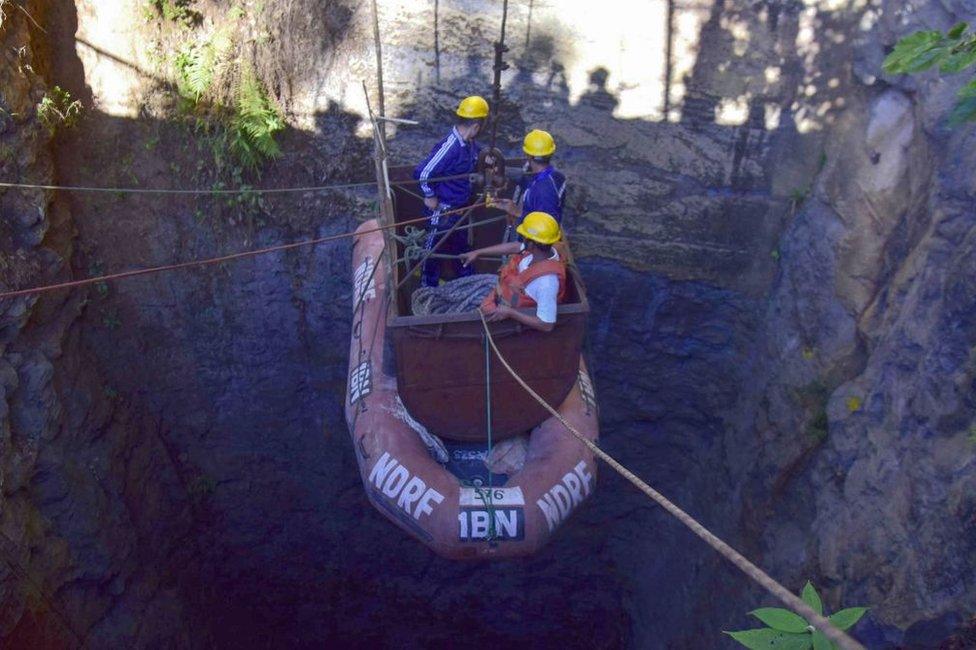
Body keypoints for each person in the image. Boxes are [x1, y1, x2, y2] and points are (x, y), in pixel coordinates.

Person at [414, 95, 489, 287]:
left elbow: (475, 150)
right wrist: (429, 196)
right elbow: (423, 173)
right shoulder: (450, 147)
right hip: (442, 211)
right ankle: (427, 288)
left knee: (460, 246)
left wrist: (485, 157)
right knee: (433, 251)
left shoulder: (468, 142)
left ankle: (466, 281)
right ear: (476, 127)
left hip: (459, 210)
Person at [462, 211, 566, 332]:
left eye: (525, 237)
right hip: (501, 299)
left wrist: (510, 313)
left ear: (531, 244)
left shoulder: (546, 283)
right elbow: (515, 247)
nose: (523, 240)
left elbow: (546, 325)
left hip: (509, 316)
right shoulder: (542, 252)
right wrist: (477, 253)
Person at [492, 129, 567, 228]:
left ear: (528, 155)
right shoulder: (556, 175)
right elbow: (528, 179)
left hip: (534, 240)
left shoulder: (544, 192)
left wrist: (517, 212)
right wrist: (503, 171)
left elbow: (544, 229)